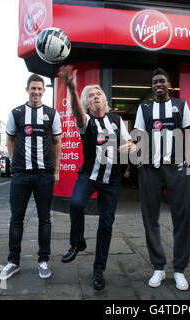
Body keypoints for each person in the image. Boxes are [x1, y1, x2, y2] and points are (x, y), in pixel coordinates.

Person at [58, 65, 134, 290]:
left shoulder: (116, 120)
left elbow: (129, 142)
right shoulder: (87, 121)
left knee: (106, 225)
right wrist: (72, 89)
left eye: (98, 93)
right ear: (87, 103)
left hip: (112, 180)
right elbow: (77, 114)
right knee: (76, 204)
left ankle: (98, 269)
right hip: (90, 174)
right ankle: (77, 243)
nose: (96, 97)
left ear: (104, 99)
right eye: (90, 96)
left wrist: (128, 147)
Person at [134, 68, 190, 291]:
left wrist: (187, 163)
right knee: (150, 218)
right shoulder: (145, 107)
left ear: (169, 84)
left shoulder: (181, 105)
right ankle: (158, 267)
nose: (158, 84)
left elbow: (188, 133)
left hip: (177, 168)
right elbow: (138, 135)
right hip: (150, 169)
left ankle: (179, 269)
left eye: (162, 81)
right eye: (155, 82)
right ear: (152, 86)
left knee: (182, 218)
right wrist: (139, 162)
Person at [0, 74, 62, 281]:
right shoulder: (16, 113)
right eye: (33, 88)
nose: (36, 92)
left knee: (44, 219)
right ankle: (13, 261)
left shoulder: (51, 114)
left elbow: (56, 143)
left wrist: (56, 170)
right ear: (27, 89)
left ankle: (43, 260)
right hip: (21, 176)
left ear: (44, 91)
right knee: (16, 219)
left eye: (39, 89)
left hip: (44, 176)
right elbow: (10, 139)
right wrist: (13, 161)